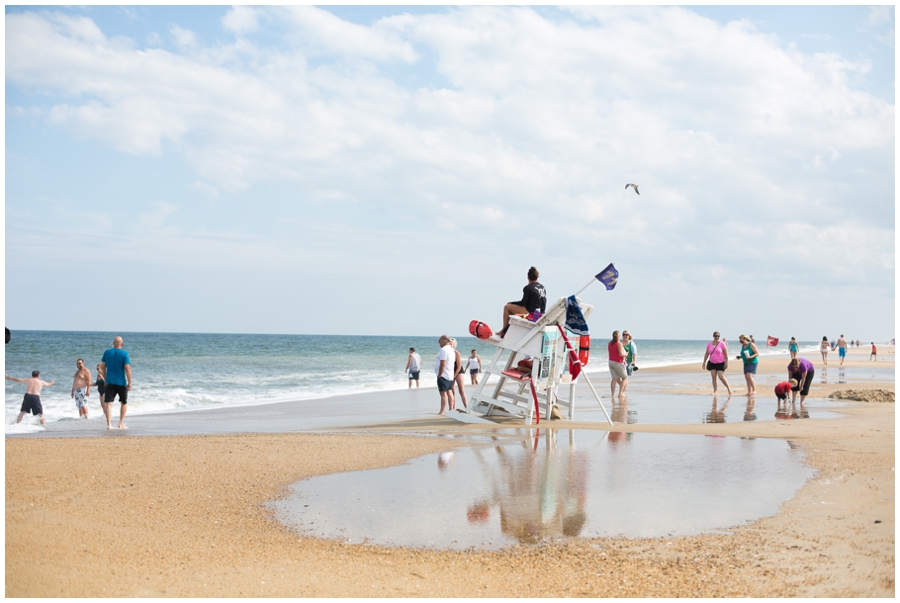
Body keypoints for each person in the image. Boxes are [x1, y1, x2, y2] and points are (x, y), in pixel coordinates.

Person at [498, 266, 546, 338]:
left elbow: (523, 303)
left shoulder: (528, 288)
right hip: (540, 312)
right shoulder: (542, 287)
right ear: (537, 277)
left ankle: (503, 331)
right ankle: (509, 330)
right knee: (513, 310)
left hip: (531, 311)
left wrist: (511, 303)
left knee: (507, 307)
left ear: (528, 277)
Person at [99, 336, 132, 430]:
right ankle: (120, 423)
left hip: (110, 382)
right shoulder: (125, 353)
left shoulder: (107, 352)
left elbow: (102, 367)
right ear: (122, 344)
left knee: (108, 404)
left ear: (113, 343)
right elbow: (127, 368)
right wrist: (130, 382)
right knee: (124, 403)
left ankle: (109, 424)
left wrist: (105, 379)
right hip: (121, 382)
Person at [434, 335, 455, 415]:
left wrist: (440, 374)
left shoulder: (444, 349)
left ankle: (442, 411)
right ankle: (451, 409)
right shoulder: (451, 349)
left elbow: (443, 363)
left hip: (444, 374)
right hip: (449, 374)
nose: (439, 343)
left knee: (443, 393)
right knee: (449, 391)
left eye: (439, 341)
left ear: (443, 340)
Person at [607, 330, 628, 397]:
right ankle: (621, 393)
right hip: (617, 362)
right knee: (625, 377)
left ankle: (612, 394)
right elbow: (621, 354)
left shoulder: (609, 343)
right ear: (618, 336)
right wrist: (626, 354)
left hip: (610, 362)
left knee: (614, 379)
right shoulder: (619, 343)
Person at [449, 338, 467, 409]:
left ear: (454, 345)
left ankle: (467, 408)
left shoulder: (457, 353)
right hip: (451, 371)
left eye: (451, 344)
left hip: (458, 371)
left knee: (461, 391)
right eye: (449, 343)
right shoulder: (446, 353)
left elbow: (458, 367)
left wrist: (454, 377)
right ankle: (452, 408)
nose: (450, 345)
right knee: (452, 392)